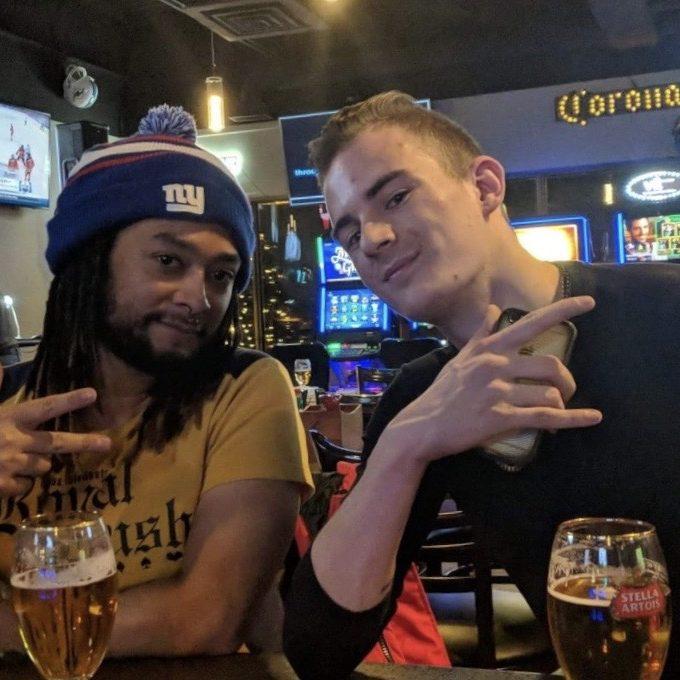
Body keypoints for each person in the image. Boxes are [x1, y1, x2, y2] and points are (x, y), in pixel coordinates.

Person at [283, 91, 680, 679]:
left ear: (486, 187)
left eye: (396, 197)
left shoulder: (666, 308)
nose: (373, 238)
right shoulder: (425, 397)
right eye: (349, 235)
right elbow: (318, 649)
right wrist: (405, 446)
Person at [0, 105, 313, 656]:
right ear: (90, 260)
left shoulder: (245, 388)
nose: (199, 298)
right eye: (168, 261)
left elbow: (206, 620)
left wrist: (24, 628)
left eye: (221, 275)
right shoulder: (7, 402)